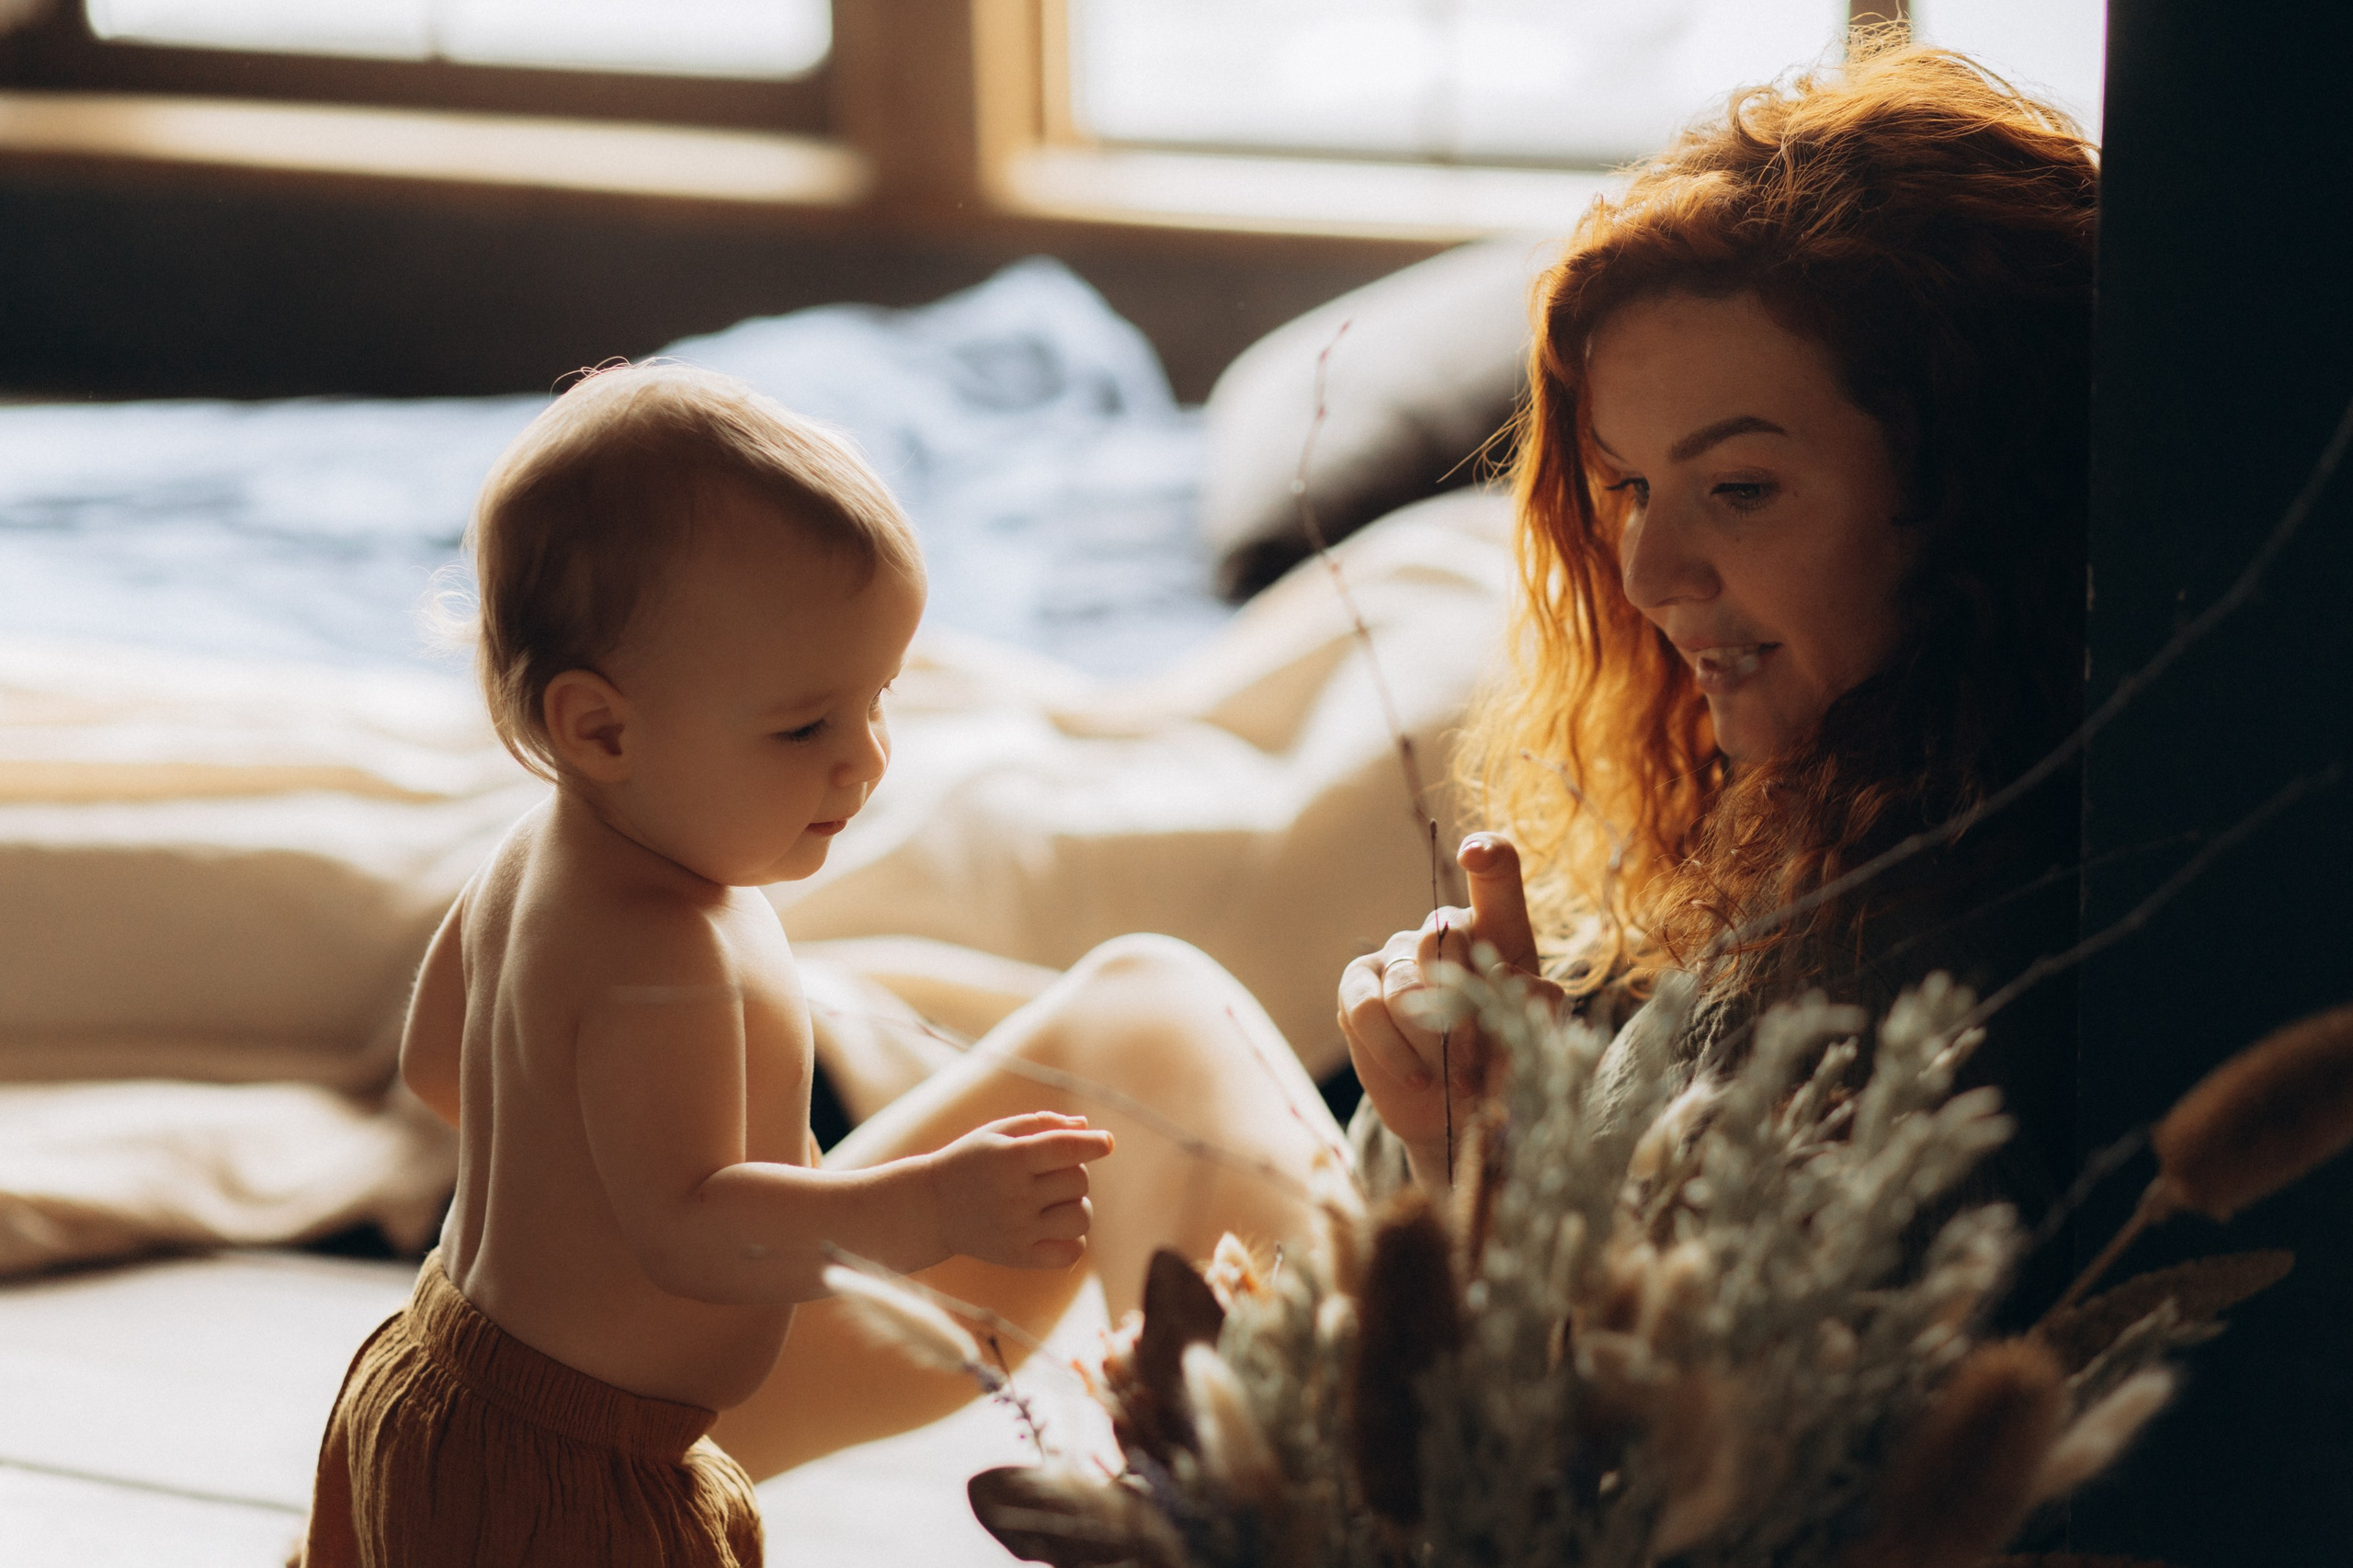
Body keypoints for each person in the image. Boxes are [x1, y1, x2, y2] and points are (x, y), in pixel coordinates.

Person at [689, 40, 2101, 1477]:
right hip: (1453, 1377)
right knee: (1140, 1012)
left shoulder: (1939, 961)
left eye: (1738, 488)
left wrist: (1473, 1189)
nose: (1651, 567)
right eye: (1623, 488)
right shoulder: (1864, 797)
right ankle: (576, 1453)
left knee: (1130, 1037)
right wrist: (1476, 1141)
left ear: (1970, 495)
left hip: (1432, 1473)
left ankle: (553, 1447)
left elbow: (1629, 1490)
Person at [300, 363, 1115, 1567]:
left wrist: (563, 1194)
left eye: (878, 698)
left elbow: (439, 1062)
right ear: (602, 727)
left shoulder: (539, 853)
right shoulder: (662, 951)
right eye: (805, 726)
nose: (866, 759)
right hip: (572, 1472)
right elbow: (691, 1232)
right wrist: (932, 1205)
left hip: (434, 1376)